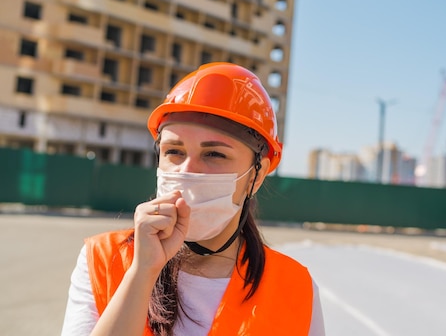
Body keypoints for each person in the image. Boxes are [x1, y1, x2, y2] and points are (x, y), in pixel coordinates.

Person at [61, 62, 325, 336]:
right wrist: (142, 273)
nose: (186, 171)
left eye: (214, 155)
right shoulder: (103, 259)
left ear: (256, 176)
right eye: (174, 151)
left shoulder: (295, 288)